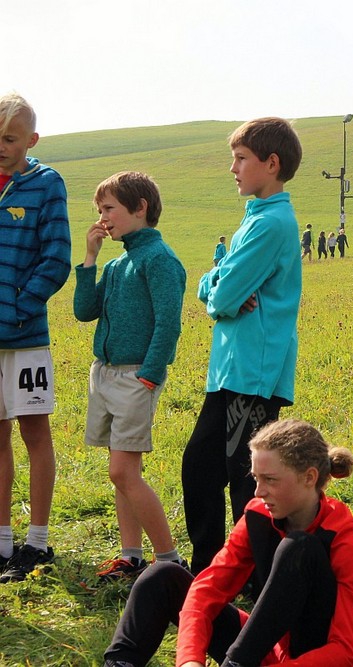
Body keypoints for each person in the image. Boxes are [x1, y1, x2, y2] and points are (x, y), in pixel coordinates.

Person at [102, 419, 353, 667]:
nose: (259, 491)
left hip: (323, 660)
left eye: (270, 480)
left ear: (309, 477)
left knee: (299, 548)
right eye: (256, 478)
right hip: (268, 651)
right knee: (162, 576)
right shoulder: (258, 515)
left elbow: (346, 652)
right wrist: (189, 659)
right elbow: (206, 591)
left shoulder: (346, 537)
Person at [181, 117, 303, 575]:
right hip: (231, 369)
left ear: (271, 164)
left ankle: (254, 574)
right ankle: (213, 568)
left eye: (240, 159)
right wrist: (216, 284)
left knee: (246, 479)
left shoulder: (271, 224)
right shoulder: (255, 219)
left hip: (254, 372)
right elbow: (218, 286)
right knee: (201, 468)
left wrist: (219, 290)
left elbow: (224, 297)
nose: (232, 168)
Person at [74, 172, 187, 582]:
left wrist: (150, 375)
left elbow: (168, 323)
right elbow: (84, 311)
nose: (103, 218)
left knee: (122, 472)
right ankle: (131, 557)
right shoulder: (118, 263)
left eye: (109, 209)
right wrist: (90, 259)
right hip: (105, 375)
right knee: (122, 473)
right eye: (99, 210)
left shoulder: (159, 259)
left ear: (140, 208)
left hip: (135, 377)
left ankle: (170, 561)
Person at [0, 94, 72, 584]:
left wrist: (18, 308)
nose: (1, 147)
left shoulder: (47, 184)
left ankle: (37, 542)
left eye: (9, 138)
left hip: (26, 338)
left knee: (34, 433)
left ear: (31, 140)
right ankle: (2, 542)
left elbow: (57, 257)